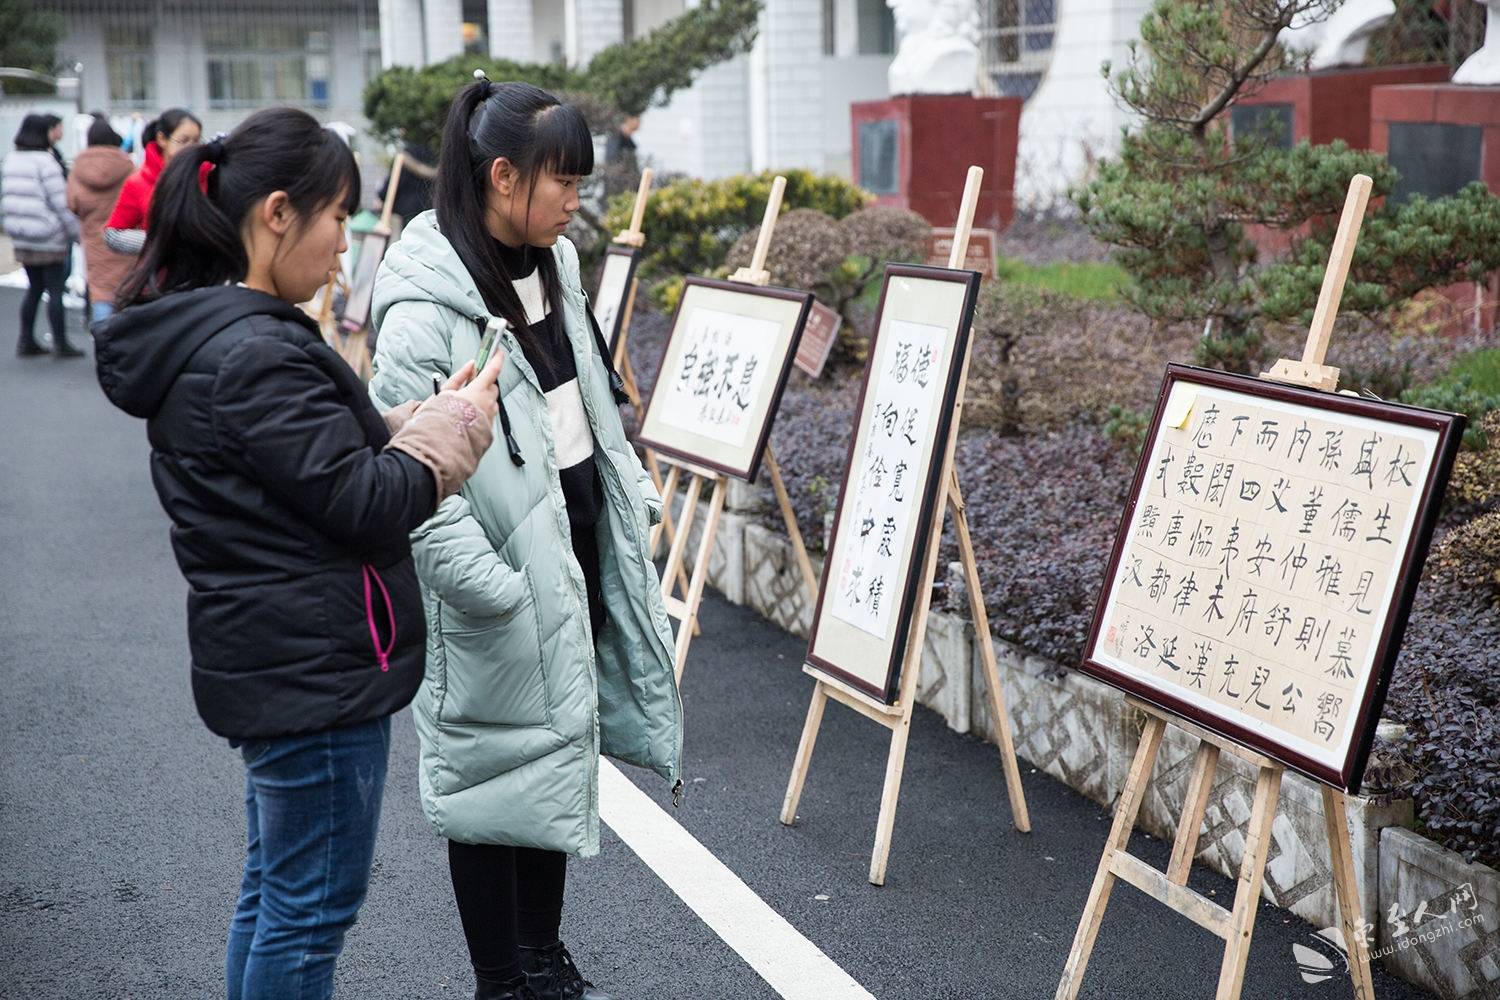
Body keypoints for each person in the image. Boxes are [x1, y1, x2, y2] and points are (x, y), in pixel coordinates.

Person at [92, 106, 505, 1000]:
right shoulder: (253, 353)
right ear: (278, 212)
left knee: (279, 897)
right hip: (311, 669)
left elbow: (307, 473)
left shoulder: (215, 337)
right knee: (308, 910)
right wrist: (454, 434)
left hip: (281, 656)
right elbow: (364, 504)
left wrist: (405, 425)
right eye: (336, 221)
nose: (344, 249)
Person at [369, 75, 683, 1000]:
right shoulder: (425, 303)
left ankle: (542, 959)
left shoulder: (557, 265)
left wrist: (624, 507)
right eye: (564, 181)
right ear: (503, 176)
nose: (578, 199)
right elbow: (412, 478)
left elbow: (582, 407)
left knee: (552, 761)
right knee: (485, 778)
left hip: (568, 557)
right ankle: (502, 979)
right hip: (496, 580)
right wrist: (495, 588)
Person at [1, 113, 81, 357]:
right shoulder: (45, 162)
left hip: (22, 235)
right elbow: (60, 202)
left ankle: (26, 339)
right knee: (56, 289)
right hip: (48, 235)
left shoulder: (11, 159)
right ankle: (60, 343)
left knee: (35, 287)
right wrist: (75, 232)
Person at [103, 107, 201, 257]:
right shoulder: (138, 182)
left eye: (196, 141)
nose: (191, 148)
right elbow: (113, 234)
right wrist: (159, 243)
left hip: (207, 276)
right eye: (183, 141)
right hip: (161, 275)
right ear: (162, 139)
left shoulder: (209, 175)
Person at [67, 113, 134, 325]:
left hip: (95, 241)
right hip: (124, 238)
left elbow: (72, 203)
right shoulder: (127, 164)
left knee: (102, 294)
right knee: (128, 291)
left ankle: (103, 348)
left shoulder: (79, 167)